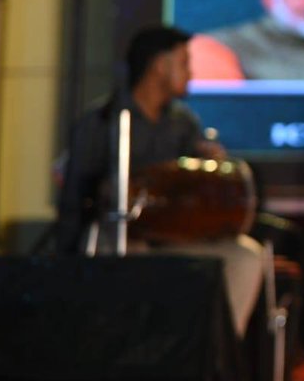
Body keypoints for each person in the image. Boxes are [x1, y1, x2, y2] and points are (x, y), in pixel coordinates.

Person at [55, 26, 264, 338]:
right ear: (160, 66)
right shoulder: (101, 123)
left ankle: (216, 352)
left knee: (245, 256)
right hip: (121, 239)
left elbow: (197, 191)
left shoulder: (183, 123)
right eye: (184, 63)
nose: (191, 73)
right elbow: (74, 201)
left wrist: (211, 166)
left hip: (177, 240)